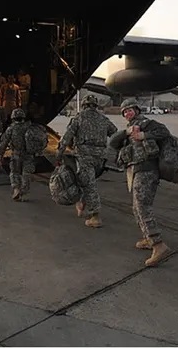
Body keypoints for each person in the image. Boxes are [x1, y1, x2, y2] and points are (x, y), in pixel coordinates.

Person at [108, 99, 171, 267]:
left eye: (129, 110)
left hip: (146, 170)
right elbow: (113, 142)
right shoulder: (129, 129)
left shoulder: (147, 124)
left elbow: (164, 132)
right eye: (124, 112)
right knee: (136, 207)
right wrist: (126, 132)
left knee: (142, 207)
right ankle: (148, 237)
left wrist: (144, 135)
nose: (127, 113)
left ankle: (158, 244)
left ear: (136, 110)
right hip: (136, 170)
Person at [55, 94, 117, 228]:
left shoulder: (79, 118)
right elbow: (115, 134)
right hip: (100, 158)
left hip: (84, 157)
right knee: (88, 182)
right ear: (96, 105)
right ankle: (82, 204)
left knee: (89, 185)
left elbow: (66, 138)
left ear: (83, 105)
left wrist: (59, 155)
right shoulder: (103, 119)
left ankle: (95, 216)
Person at [0, 108, 34, 201]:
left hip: (16, 154)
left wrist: (0, 156)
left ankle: (16, 189)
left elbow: (4, 143)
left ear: (13, 118)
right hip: (29, 155)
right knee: (26, 174)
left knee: (14, 172)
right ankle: (23, 191)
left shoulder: (11, 128)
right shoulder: (30, 127)